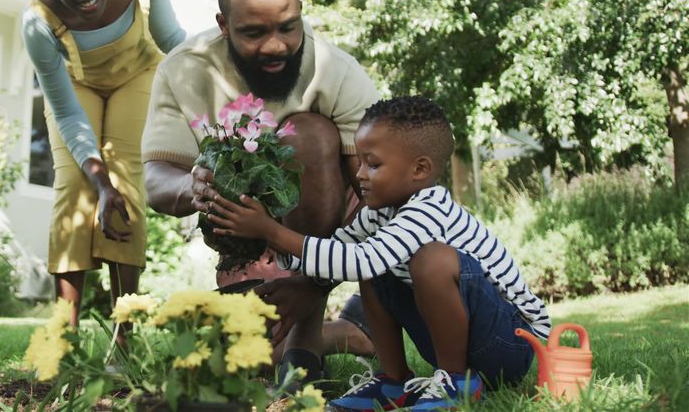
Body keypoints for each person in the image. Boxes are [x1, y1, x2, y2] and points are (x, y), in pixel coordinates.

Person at [207, 96, 551, 411]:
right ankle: (393, 381)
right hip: (462, 338)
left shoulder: (428, 208)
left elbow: (362, 260)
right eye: (360, 163)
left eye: (372, 165)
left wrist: (273, 230)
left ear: (419, 170)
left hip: (511, 345)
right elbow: (343, 249)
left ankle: (455, 383)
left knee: (429, 259)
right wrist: (276, 257)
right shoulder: (380, 212)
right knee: (373, 262)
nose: (359, 175)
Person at [141, 0, 380, 384]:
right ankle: (350, 332)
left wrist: (312, 282)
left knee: (306, 134)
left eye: (288, 27)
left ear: (301, 10)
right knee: (240, 364)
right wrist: (192, 186)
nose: (276, 46)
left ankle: (308, 335)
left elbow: (377, 199)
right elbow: (156, 179)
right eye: (253, 33)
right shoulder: (184, 70)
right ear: (223, 25)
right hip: (241, 234)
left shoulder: (337, 72)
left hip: (325, 232)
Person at [23, 0, 187, 326]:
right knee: (76, 183)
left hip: (139, 73)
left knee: (125, 177)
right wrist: (98, 183)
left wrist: (212, 86)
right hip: (78, 86)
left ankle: (125, 334)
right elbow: (65, 110)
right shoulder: (38, 22)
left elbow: (172, 40)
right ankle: (63, 334)